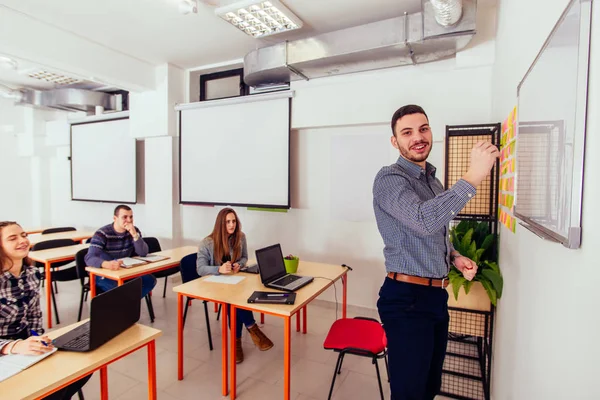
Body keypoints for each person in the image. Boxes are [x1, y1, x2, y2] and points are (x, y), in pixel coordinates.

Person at [373, 105, 499, 400]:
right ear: (395, 142)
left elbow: (432, 232)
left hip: (435, 298)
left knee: (429, 387)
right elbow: (424, 220)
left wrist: (454, 256)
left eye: (423, 129)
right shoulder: (389, 179)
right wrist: (474, 175)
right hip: (406, 299)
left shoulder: (432, 180)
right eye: (407, 132)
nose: (418, 137)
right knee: (409, 393)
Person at [0, 221, 91, 399]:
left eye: (24, 235)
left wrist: (37, 336)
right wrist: (13, 346)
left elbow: (34, 315)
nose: (22, 240)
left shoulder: (31, 273)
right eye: (13, 238)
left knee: (83, 367)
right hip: (6, 353)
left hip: (26, 347)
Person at [197, 207, 273, 364]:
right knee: (234, 302)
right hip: (214, 284)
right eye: (227, 222)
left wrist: (238, 264)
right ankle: (253, 329)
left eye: (233, 221)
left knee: (237, 300)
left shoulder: (240, 237)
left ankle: (236, 342)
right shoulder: (207, 243)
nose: (232, 225)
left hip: (235, 280)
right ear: (220, 224)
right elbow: (200, 268)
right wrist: (218, 269)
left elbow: (244, 257)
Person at [85, 205, 156, 298]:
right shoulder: (102, 233)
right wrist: (106, 264)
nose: (129, 220)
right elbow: (89, 258)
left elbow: (143, 253)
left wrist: (135, 235)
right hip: (103, 272)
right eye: (125, 217)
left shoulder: (134, 230)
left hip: (124, 270)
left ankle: (129, 301)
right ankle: (128, 302)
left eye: (131, 217)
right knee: (123, 290)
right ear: (115, 218)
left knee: (150, 280)